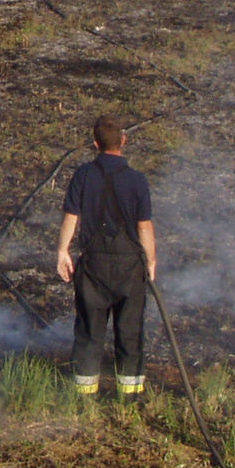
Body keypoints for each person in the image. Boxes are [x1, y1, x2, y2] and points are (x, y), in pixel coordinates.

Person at [56, 114, 156, 397]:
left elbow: (71, 218)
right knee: (130, 332)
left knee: (89, 332)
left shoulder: (83, 175)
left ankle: (84, 398)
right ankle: (130, 398)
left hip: (93, 265)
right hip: (129, 267)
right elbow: (144, 226)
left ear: (95, 143)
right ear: (124, 141)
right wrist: (150, 261)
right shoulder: (137, 180)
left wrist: (63, 252)